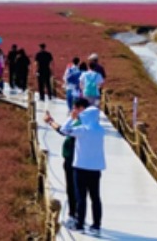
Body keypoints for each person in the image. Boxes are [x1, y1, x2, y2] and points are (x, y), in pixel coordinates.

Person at [46, 98, 105, 235]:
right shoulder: (100, 130)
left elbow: (65, 130)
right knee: (95, 197)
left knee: (81, 197)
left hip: (81, 167)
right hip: (96, 169)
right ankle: (96, 226)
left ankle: (79, 224)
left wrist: (71, 119)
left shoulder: (82, 130)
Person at [47, 103, 82, 227]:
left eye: (75, 108)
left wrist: (51, 122)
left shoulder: (80, 123)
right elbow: (62, 130)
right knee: (73, 188)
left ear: (81, 109)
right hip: (70, 159)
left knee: (73, 189)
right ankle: (75, 215)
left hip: (74, 160)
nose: (72, 110)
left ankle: (74, 215)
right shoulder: (78, 122)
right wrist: (51, 121)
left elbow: (63, 131)